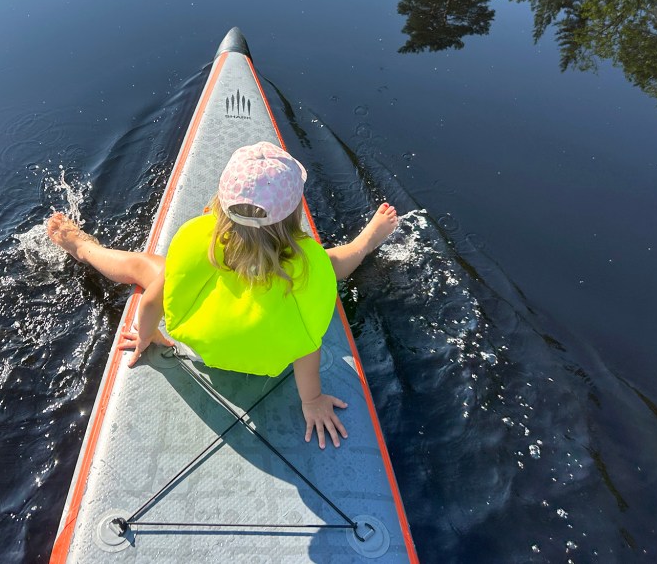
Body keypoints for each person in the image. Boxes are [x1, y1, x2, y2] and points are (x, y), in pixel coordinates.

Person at [47, 142, 398, 449]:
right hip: (267, 366)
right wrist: (312, 400)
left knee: (144, 266)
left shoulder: (201, 243)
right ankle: (365, 242)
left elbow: (153, 299)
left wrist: (148, 334)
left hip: (202, 347)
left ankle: (81, 247)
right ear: (294, 215)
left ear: (221, 204)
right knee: (333, 263)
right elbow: (307, 348)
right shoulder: (308, 267)